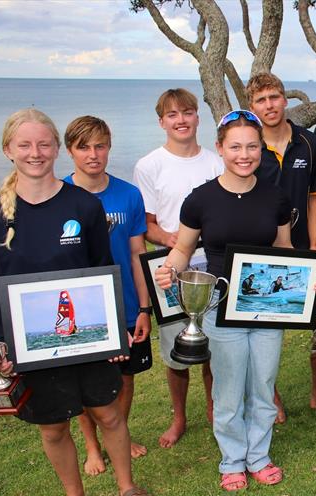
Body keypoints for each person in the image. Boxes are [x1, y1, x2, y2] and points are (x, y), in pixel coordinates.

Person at [0, 109, 153, 496]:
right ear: (8, 150)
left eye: (43, 144)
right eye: (25, 145)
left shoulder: (83, 205)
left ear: (56, 149)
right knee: (53, 426)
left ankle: (127, 485)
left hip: (86, 339)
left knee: (109, 414)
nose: (35, 153)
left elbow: (101, 269)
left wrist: (110, 335)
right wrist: (4, 341)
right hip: (31, 342)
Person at [155, 109, 316, 490]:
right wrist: (169, 268)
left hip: (267, 307)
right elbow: (183, 249)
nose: (244, 154)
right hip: (220, 308)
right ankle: (232, 460)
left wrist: (309, 283)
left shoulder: (276, 198)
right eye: (235, 146)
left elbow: (284, 250)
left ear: (261, 149)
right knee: (229, 388)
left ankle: (259, 455)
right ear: (220, 148)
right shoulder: (200, 199)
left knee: (264, 385)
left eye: (252, 146)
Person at [61, 116, 153, 475]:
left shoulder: (128, 194)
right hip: (82, 309)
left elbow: (137, 254)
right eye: (84, 147)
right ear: (70, 150)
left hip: (126, 303)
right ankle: (92, 446)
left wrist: (144, 308)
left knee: (124, 377)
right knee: (85, 381)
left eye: (100, 145)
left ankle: (121, 433)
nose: (93, 154)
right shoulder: (59, 193)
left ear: (109, 146)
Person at [134, 88, 223, 448]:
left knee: (214, 345)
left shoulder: (216, 162)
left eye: (187, 112)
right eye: (173, 115)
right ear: (162, 122)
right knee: (177, 350)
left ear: (197, 117)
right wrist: (175, 241)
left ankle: (215, 408)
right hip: (171, 271)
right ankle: (179, 417)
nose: (181, 120)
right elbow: (147, 223)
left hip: (213, 265)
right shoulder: (149, 165)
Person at [247, 72, 316, 415]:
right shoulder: (249, 146)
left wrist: (313, 245)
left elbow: (315, 198)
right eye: (261, 100)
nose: (270, 105)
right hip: (261, 251)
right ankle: (271, 398)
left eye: (275, 97)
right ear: (251, 106)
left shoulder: (308, 142)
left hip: (303, 250)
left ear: (285, 99)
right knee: (263, 331)